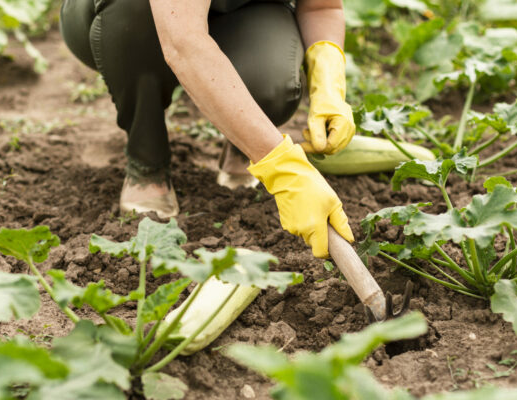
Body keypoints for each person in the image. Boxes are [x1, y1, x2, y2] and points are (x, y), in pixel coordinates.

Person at [61, 0, 356, 258]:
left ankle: (243, 145)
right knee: (133, 12)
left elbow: (322, 6)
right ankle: (146, 159)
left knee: (271, 83)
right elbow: (184, 43)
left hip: (242, 10)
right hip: (126, 14)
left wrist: (328, 83)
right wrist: (282, 166)